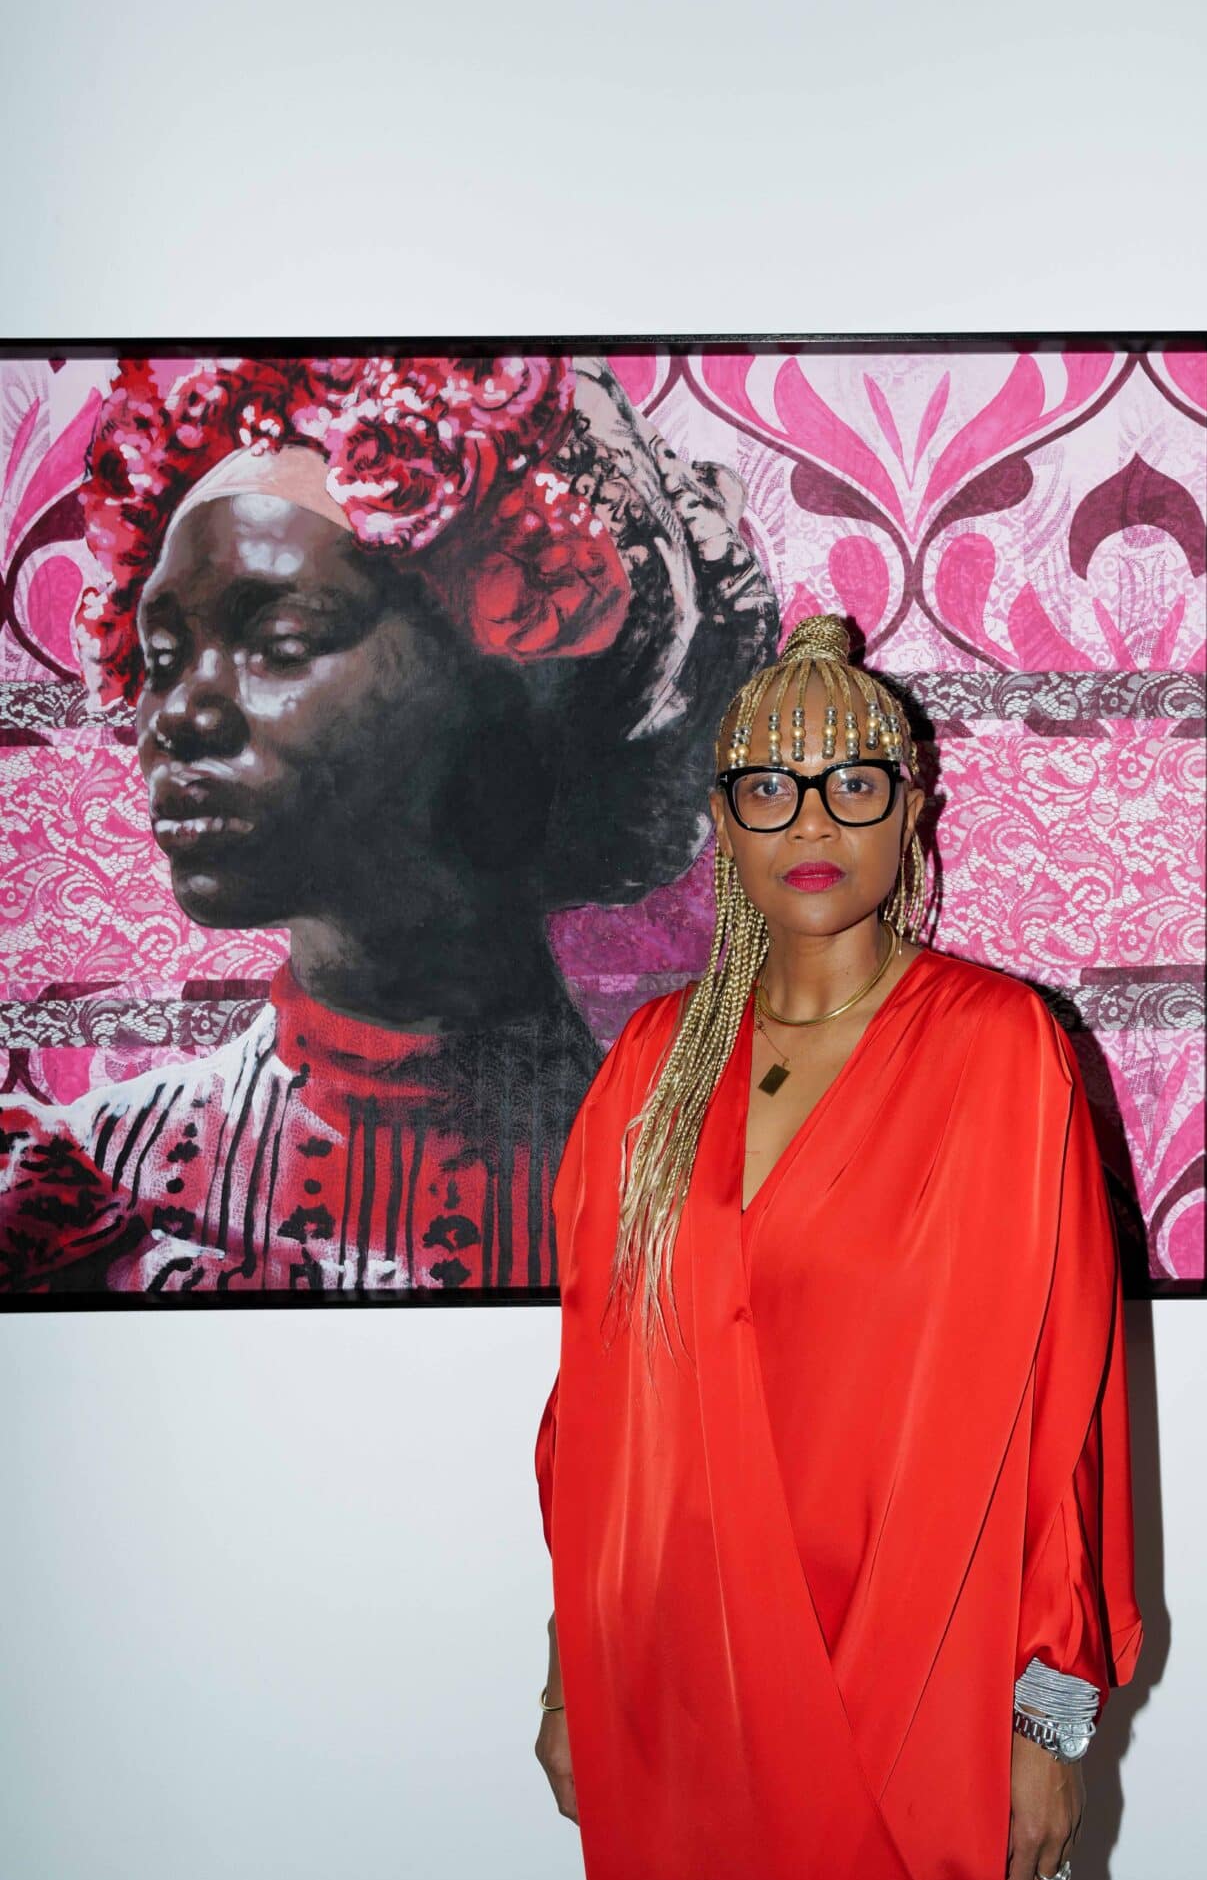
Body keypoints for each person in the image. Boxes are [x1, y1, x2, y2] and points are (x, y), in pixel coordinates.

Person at [532, 614, 1143, 1880]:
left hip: (907, 1696)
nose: (814, 821)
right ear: (722, 822)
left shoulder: (1000, 1050)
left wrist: (1049, 1719)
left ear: (914, 806)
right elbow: (591, 1404)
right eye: (771, 788)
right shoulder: (651, 1068)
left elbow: (1065, 1410)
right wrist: (565, 1676)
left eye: (855, 783)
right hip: (674, 1696)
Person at [0, 352, 774, 1296]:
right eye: (160, 657)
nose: (179, 716)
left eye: (280, 642)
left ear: (518, 692)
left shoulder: (700, 1194)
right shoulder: (87, 1193)